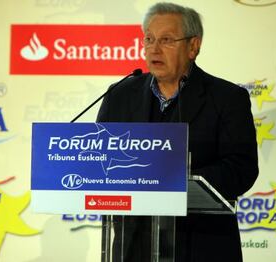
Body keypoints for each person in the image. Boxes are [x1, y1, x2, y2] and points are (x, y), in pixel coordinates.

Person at [97, 2, 259, 262]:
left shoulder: (227, 98)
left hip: (203, 246)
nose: (154, 48)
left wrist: (176, 182)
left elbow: (242, 168)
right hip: (134, 246)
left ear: (193, 46)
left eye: (167, 40)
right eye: (148, 39)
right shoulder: (119, 94)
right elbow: (99, 158)